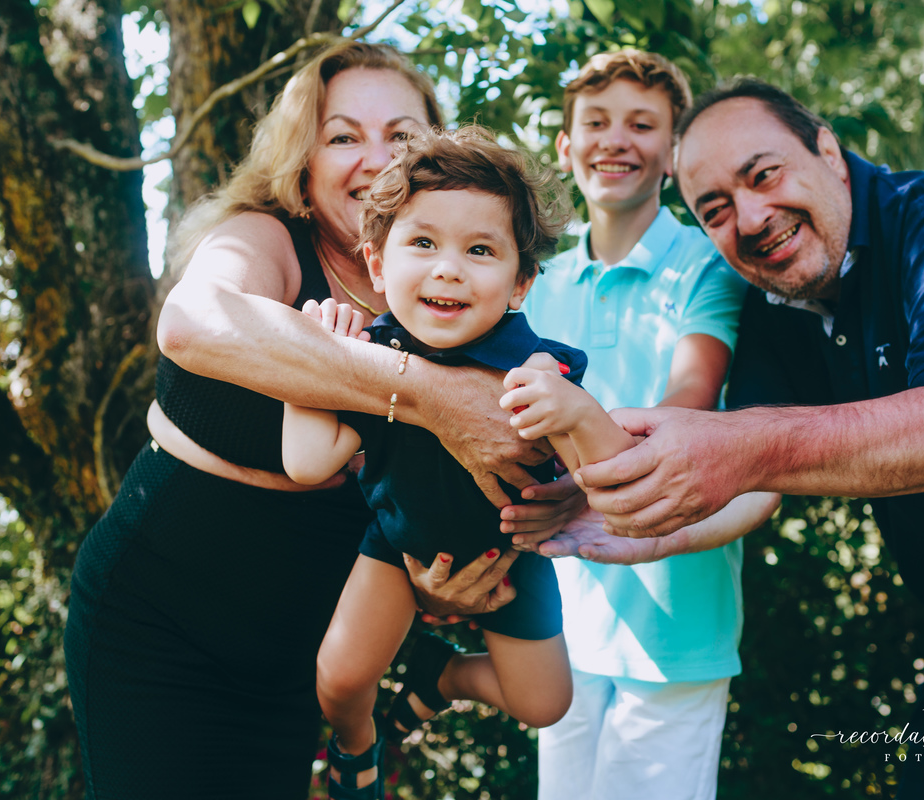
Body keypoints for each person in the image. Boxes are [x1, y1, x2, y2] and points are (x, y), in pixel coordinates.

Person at [575, 76, 924, 799]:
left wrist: (741, 447)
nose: (751, 217)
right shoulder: (780, 302)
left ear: (829, 153)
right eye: (715, 210)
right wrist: (643, 527)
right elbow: (751, 484)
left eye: (763, 175)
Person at [64, 43, 566, 800]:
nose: (375, 158)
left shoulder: (455, 295)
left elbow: (432, 493)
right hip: (162, 627)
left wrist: (443, 585)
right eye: (343, 136)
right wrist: (425, 393)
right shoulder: (265, 238)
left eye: (401, 136)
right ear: (303, 163)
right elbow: (193, 324)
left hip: (300, 653)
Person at [283, 126, 641, 799]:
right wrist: (317, 363)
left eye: (480, 250)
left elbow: (606, 483)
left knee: (545, 705)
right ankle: (356, 745)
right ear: (377, 264)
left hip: (510, 555)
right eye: (423, 243)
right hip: (397, 545)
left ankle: (443, 677)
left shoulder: (537, 367)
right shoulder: (374, 355)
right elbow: (306, 463)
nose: (448, 268)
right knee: (339, 679)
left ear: (520, 283)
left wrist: (573, 412)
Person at [514, 51, 779, 800]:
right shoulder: (540, 281)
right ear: (566, 145)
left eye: (641, 124)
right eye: (596, 122)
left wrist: (577, 443)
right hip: (563, 614)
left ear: (672, 151)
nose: (615, 140)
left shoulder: (708, 264)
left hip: (674, 624)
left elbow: (686, 404)